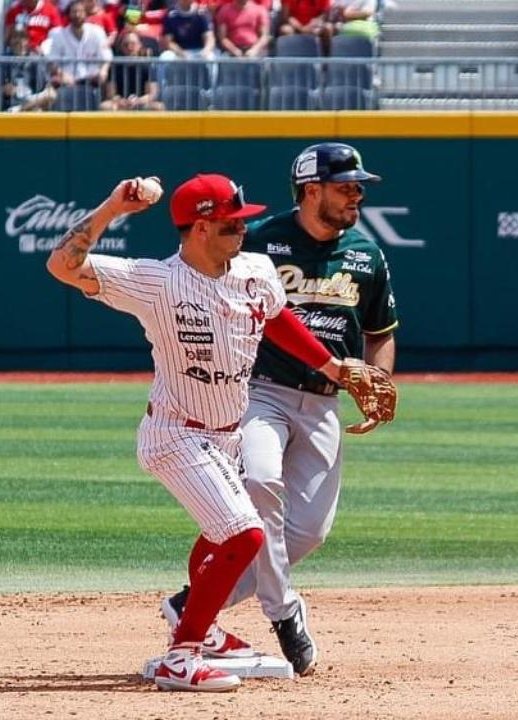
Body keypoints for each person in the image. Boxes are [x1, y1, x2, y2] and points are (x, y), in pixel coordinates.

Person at [46, 173, 372, 691]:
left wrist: (333, 367)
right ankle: (182, 654)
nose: (241, 230)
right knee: (244, 533)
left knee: (218, 532)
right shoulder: (155, 281)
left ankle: (201, 624)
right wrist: (112, 207)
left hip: (226, 436)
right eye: (229, 224)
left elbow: (278, 319)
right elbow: (62, 265)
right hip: (176, 434)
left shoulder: (254, 269)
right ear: (198, 228)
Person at [160, 143, 399, 676]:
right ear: (311, 191)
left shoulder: (366, 253)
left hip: (323, 401)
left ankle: (194, 603)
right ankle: (284, 610)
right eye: (346, 186)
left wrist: (376, 380)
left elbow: (380, 332)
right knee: (260, 486)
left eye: (358, 186)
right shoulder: (260, 240)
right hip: (258, 391)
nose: (356, 194)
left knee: (308, 529)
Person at [45, 0, 113, 90]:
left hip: (92, 82)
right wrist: (62, 74)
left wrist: (103, 71)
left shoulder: (97, 32)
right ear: (68, 14)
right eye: (74, 12)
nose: (77, 15)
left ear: (86, 13)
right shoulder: (58, 35)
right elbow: (52, 61)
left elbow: (106, 57)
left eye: (80, 11)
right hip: (66, 83)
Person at [101, 30, 165, 110]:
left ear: (139, 45)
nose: (129, 47)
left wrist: (138, 101)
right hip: (121, 104)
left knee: (158, 107)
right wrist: (121, 101)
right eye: (126, 44)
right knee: (105, 106)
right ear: (121, 47)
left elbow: (152, 94)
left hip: (141, 104)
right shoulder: (114, 68)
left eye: (133, 44)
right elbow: (111, 94)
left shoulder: (147, 67)